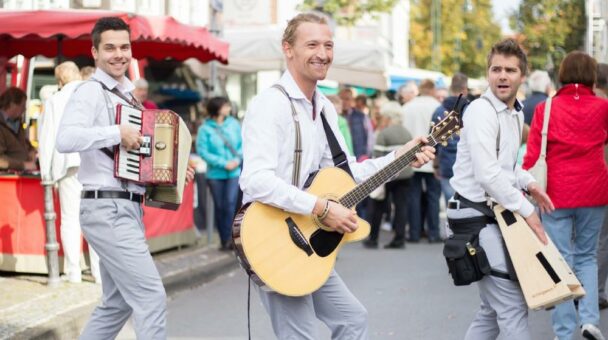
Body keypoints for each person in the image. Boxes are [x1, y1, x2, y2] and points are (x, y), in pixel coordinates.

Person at [239, 12, 435, 339]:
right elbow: (256, 181)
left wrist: (400, 155)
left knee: (352, 321)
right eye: (312, 44)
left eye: (328, 45)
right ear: (288, 49)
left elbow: (346, 176)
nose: (323, 53)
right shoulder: (269, 105)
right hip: (272, 241)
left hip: (309, 246)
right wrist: (322, 208)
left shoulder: (325, 108)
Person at [56, 17, 189, 339]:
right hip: (107, 208)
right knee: (150, 297)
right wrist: (115, 132)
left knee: (116, 304)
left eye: (124, 47)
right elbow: (65, 139)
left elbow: (135, 161)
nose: (118, 54)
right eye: (110, 47)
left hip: (125, 208)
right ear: (95, 52)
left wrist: (172, 169)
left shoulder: (127, 97)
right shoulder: (90, 91)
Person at [448, 38, 554, 339]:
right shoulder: (481, 112)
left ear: (522, 75)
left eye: (510, 70)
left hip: (490, 216)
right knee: (511, 306)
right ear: (488, 73)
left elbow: (505, 167)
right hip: (473, 218)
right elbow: (487, 174)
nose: (503, 76)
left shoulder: (514, 113)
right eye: (496, 69)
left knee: (493, 311)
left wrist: (529, 183)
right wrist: (528, 212)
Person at [523, 51, 608, 340]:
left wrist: (523, 187)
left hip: (554, 194)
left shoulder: (545, 109)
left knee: (559, 259)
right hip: (595, 190)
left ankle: (563, 331)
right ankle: (589, 321)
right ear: (591, 76)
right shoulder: (603, 107)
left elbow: (533, 154)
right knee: (587, 255)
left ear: (562, 75)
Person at [38, 61, 101, 284]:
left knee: (70, 218)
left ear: (60, 79)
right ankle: (98, 272)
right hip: (93, 163)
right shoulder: (93, 97)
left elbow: (46, 138)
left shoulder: (55, 100)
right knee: (94, 219)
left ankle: (74, 271)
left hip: (68, 164)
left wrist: (46, 172)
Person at [363, 101, 413, 249]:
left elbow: (377, 157)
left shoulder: (384, 133)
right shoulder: (406, 132)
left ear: (388, 117)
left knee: (377, 205)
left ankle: (373, 238)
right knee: (401, 206)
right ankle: (399, 238)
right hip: (406, 174)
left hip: (388, 175)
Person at [196, 96, 242, 250]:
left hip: (234, 172)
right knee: (220, 207)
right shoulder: (205, 129)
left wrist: (236, 160)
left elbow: (243, 144)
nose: (229, 108)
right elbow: (203, 151)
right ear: (217, 109)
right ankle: (224, 240)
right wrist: (223, 163)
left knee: (230, 205)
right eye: (226, 105)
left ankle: (231, 239)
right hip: (215, 174)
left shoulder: (234, 124)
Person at [402, 79, 442, 243]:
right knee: (433, 197)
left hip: (411, 157)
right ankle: (433, 233)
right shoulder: (437, 107)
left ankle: (414, 232)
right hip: (432, 158)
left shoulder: (407, 107)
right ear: (432, 90)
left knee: (413, 196)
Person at [430, 72, 469, 204]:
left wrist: (436, 166)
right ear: (465, 89)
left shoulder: (439, 111)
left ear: (451, 89)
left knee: (451, 205)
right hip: (468, 165)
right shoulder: (471, 110)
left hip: (446, 164)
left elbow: (432, 142)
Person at [0, 87, 36, 171]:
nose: (24, 109)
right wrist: (23, 165)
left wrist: (31, 150)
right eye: (22, 105)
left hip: (21, 175)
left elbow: (23, 142)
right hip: (6, 178)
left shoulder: (17, 123)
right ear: (12, 104)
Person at [596, 63, 608, 311]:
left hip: (569, 183)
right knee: (601, 240)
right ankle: (594, 291)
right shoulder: (603, 106)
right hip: (602, 182)